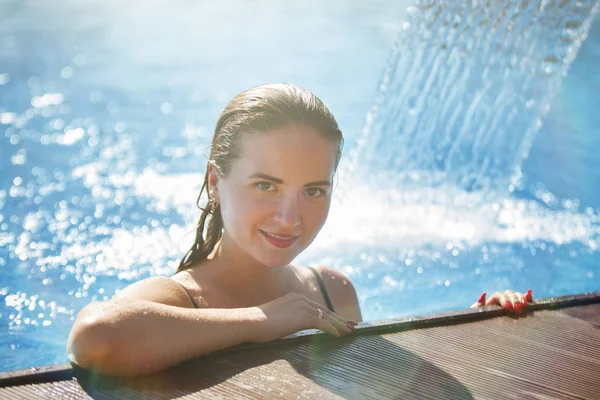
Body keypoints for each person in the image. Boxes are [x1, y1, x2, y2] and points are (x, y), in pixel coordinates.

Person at [67, 82, 531, 378]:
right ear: (214, 182)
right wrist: (265, 320)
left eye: (313, 190)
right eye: (265, 185)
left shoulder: (332, 291)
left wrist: (474, 324)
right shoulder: (177, 299)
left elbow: (379, 379)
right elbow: (95, 337)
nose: (290, 219)